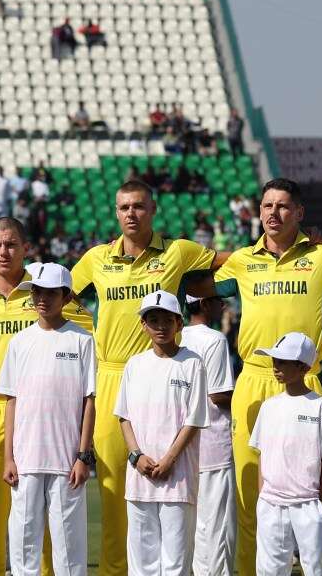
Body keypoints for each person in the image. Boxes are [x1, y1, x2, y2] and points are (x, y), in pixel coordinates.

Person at [214, 179, 322, 576]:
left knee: (315, 505)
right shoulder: (242, 261)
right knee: (252, 501)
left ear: (299, 213)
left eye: (283, 206)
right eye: (267, 205)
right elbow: (196, 277)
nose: (273, 213)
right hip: (254, 382)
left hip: (306, 384)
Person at [70, 183, 222, 576]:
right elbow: (57, 295)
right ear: (115, 212)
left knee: (163, 482)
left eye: (139, 206)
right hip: (111, 375)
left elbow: (230, 262)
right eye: (124, 207)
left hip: (163, 374)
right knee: (112, 493)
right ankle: (113, 570)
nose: (131, 213)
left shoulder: (178, 251)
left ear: (153, 209)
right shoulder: (96, 258)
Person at [0, 219, 93, 575]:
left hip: (42, 413)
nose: (4, 252)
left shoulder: (43, 292)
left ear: (25, 248)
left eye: (11, 244)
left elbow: (85, 331)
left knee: (48, 526)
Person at [0, 262, 97, 576]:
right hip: (25, 461)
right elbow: (11, 402)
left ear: (66, 296)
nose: (42, 298)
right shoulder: (19, 342)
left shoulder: (82, 340)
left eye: (51, 293)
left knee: (69, 549)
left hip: (67, 462)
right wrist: (8, 458)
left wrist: (83, 456)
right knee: (23, 547)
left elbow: (89, 402)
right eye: (37, 291)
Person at [115, 291, 210, 576]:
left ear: (179, 324)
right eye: (152, 320)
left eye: (167, 320)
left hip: (177, 477)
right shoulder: (135, 364)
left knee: (175, 561)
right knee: (142, 561)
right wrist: (136, 456)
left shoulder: (193, 363)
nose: (160, 326)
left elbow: (193, 420)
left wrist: (169, 459)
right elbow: (124, 416)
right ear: (143, 325)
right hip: (140, 476)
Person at [248, 331, 322, 576]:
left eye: (282, 362)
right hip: (271, 503)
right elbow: (261, 455)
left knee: (316, 568)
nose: (275, 367)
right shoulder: (269, 406)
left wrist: (320, 504)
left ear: (303, 367)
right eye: (275, 361)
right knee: (270, 570)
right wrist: (262, 499)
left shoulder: (320, 405)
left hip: (308, 503)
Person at [183, 292, 237, 576]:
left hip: (182, 446)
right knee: (216, 529)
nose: (223, 306)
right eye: (218, 301)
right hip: (213, 442)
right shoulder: (213, 339)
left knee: (189, 528)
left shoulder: (176, 336)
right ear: (204, 304)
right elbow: (218, 395)